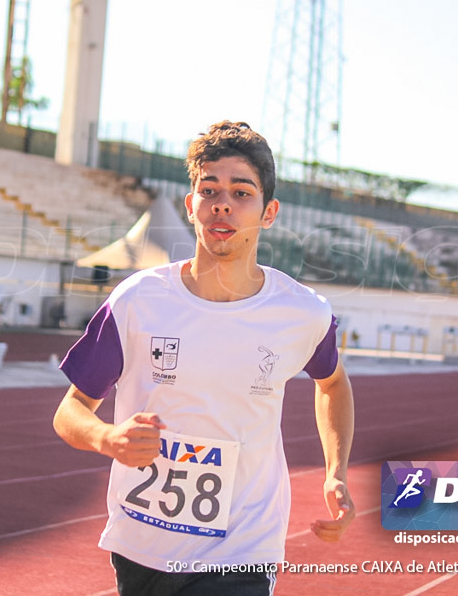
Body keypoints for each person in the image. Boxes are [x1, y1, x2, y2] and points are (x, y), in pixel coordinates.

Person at [53, 121, 355, 595]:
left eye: (242, 192)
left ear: (268, 211)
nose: (223, 203)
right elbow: (70, 410)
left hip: (242, 547)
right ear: (190, 204)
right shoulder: (138, 300)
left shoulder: (302, 312)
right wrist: (107, 437)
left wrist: (335, 472)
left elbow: (333, 383)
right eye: (209, 189)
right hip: (142, 542)